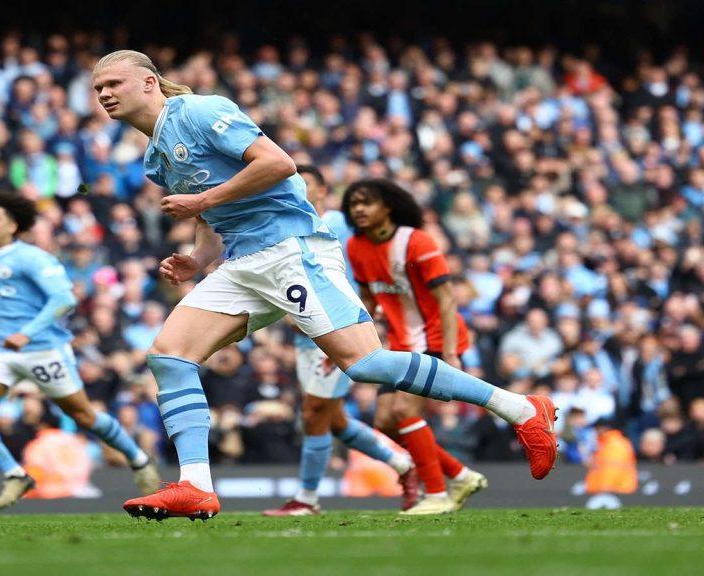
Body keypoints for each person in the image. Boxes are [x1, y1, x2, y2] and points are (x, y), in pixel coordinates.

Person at [92, 49, 555, 522]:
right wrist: (196, 260)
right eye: (98, 88)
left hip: (291, 249)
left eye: (114, 83)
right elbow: (211, 218)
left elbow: (278, 164)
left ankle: (520, 408)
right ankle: (195, 485)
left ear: (149, 82)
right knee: (169, 355)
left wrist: (202, 200)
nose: (105, 94)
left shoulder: (199, 111)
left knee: (365, 364)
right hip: (243, 262)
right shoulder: (154, 156)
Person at [0, 191, 159, 509]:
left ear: (13, 225)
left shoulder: (32, 258)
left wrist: (26, 332)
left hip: (43, 349)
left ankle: (139, 459)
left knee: (83, 415)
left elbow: (64, 299)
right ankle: (15, 475)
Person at [263, 165, 415, 517]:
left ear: (323, 191)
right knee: (334, 420)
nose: (297, 190)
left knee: (314, 413)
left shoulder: (341, 224)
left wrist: (365, 315)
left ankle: (306, 499)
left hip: (337, 331)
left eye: (305, 185)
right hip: (304, 337)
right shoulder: (283, 224)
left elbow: (372, 259)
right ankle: (404, 465)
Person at [343, 178, 488, 515]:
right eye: (354, 204)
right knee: (384, 422)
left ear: (388, 206)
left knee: (406, 412)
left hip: (435, 338)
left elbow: (447, 298)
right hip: (399, 343)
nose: (359, 209)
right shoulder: (356, 246)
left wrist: (450, 353)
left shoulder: (418, 242)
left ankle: (437, 494)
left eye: (367, 202)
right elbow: (368, 299)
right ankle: (459, 474)